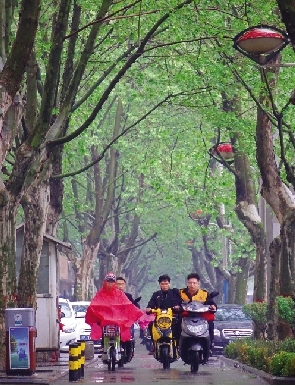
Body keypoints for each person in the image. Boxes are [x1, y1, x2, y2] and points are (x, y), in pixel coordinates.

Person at [85, 272, 143, 362]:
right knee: (104, 331)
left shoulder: (120, 294)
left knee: (126, 333)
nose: (110, 284)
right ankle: (103, 347)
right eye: (108, 282)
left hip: (119, 321)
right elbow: (95, 304)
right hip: (105, 320)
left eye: (112, 282)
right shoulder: (100, 293)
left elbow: (127, 304)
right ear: (105, 282)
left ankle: (124, 350)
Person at [179, 273, 217, 362]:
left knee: (210, 326)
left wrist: (213, 307)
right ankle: (178, 345)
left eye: (194, 283)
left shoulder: (204, 293)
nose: (192, 285)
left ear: (198, 283)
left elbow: (211, 303)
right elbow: (175, 302)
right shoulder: (181, 293)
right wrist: (177, 307)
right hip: (186, 317)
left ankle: (209, 346)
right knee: (176, 325)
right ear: (187, 283)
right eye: (190, 283)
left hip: (201, 317)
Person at [145, 274, 182, 354]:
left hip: (173, 317)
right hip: (159, 318)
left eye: (166, 284)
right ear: (159, 284)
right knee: (150, 325)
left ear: (169, 284)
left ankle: (178, 345)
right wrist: (149, 308)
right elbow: (150, 304)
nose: (164, 286)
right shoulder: (156, 295)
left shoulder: (174, 293)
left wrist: (177, 307)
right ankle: (154, 346)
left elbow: (180, 303)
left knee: (180, 324)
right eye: (162, 284)